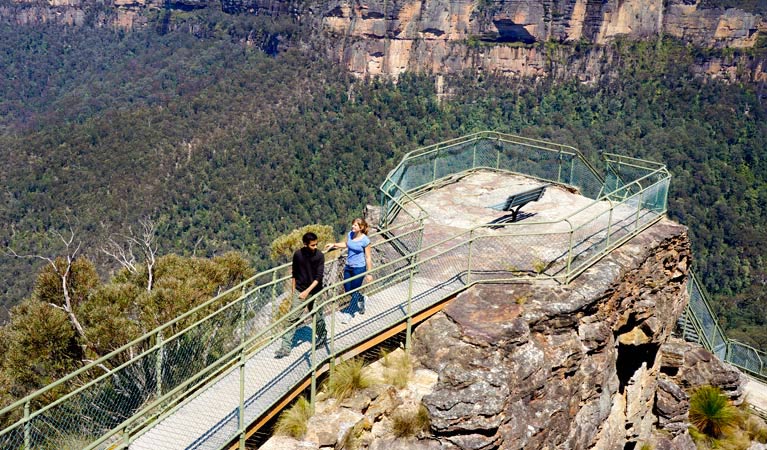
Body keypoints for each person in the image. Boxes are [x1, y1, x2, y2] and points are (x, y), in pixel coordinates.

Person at [274, 232, 327, 359]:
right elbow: (294, 273)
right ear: (305, 244)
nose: (315, 247)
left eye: (316, 244)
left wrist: (306, 292)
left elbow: (318, 278)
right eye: (313, 245)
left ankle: (322, 336)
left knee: (317, 317)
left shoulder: (319, 256)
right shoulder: (298, 255)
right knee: (292, 318)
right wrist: (294, 291)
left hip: (314, 291)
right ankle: (285, 348)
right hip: (300, 290)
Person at [324, 218, 373, 323]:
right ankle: (362, 298)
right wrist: (334, 244)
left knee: (354, 290)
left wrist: (369, 273)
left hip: (359, 268)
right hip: (348, 266)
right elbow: (346, 244)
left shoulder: (365, 240)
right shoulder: (350, 234)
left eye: (355, 225)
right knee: (348, 289)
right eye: (353, 225)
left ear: (361, 227)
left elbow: (368, 257)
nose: (353, 227)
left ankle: (349, 313)